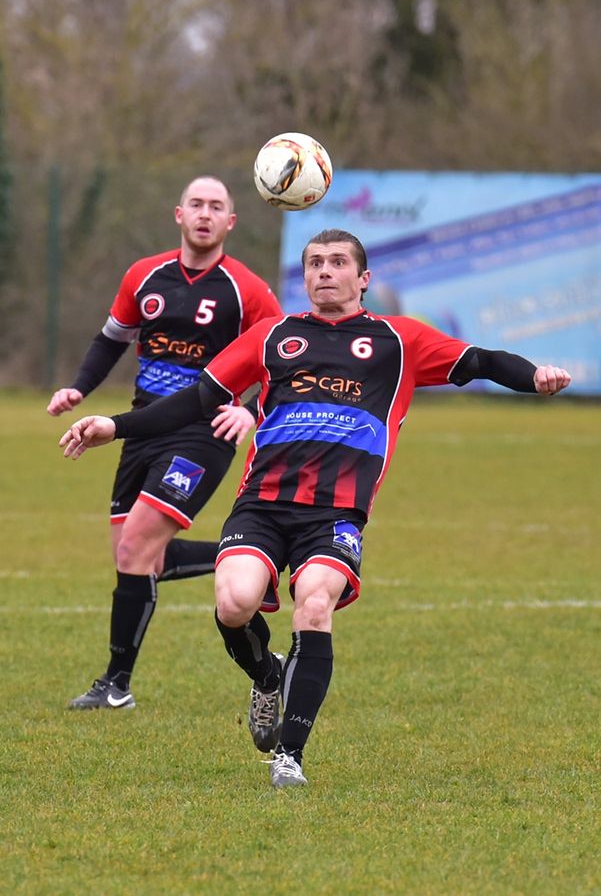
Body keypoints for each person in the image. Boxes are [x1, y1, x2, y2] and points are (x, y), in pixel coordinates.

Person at [58, 228, 571, 786]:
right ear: (304, 278)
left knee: (315, 603)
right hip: (262, 505)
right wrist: (115, 425)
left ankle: (290, 756)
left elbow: (481, 360)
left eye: (338, 262)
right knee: (233, 603)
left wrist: (534, 376)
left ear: (363, 278)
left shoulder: (398, 340)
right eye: (315, 263)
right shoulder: (272, 335)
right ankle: (266, 675)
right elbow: (199, 399)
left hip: (336, 513)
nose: (325, 271)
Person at [48, 176, 282, 710]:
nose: (205, 214)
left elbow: (285, 358)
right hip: (142, 426)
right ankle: (249, 559)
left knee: (135, 547)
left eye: (216, 207)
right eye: (196, 204)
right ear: (179, 214)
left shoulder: (246, 289)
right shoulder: (144, 275)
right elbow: (111, 339)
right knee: (140, 561)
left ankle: (116, 686)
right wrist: (79, 388)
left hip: (203, 434)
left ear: (230, 222)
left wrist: (248, 411)